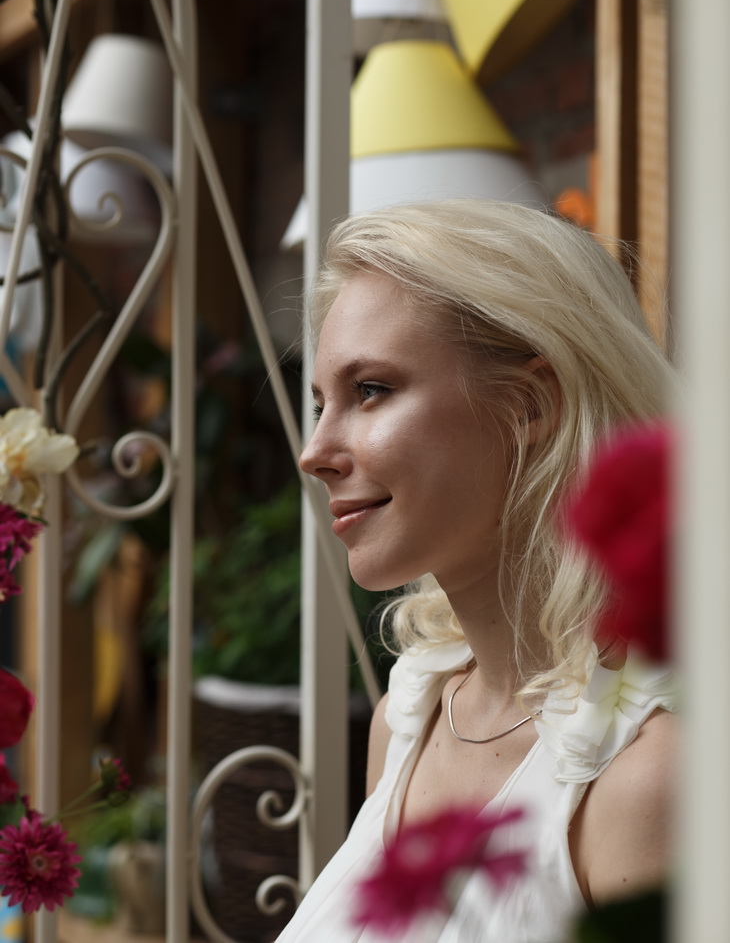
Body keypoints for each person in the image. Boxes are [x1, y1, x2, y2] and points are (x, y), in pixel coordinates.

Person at [278, 200, 677, 943]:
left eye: (370, 391)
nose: (315, 452)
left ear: (529, 404)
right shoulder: (408, 718)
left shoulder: (649, 778)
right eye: (320, 403)